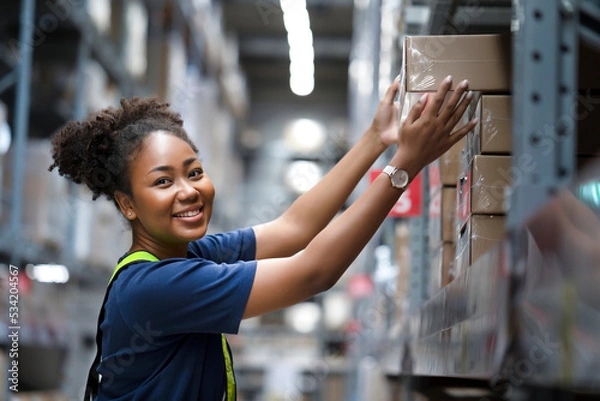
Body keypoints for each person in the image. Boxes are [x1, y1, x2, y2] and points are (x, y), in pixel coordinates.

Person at [49, 75, 476, 400]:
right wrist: (405, 166)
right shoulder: (155, 287)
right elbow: (313, 273)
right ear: (127, 205)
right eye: (163, 182)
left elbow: (293, 230)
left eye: (194, 172)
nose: (189, 190)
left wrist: (373, 140)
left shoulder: (186, 256)